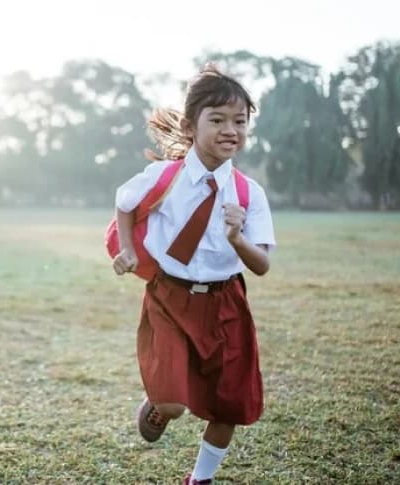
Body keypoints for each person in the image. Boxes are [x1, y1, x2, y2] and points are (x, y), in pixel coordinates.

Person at [112, 65, 276, 484]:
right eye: (217, 120)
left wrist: (238, 238)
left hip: (226, 303)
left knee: (230, 405)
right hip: (171, 297)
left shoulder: (248, 193)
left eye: (239, 122)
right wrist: (128, 250)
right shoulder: (166, 178)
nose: (230, 130)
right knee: (172, 406)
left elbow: (262, 264)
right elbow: (125, 204)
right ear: (190, 125)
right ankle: (156, 407)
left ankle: (199, 479)